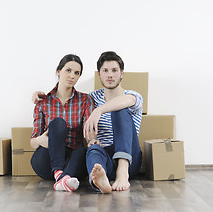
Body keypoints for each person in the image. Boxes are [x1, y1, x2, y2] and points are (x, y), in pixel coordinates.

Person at [33, 51, 143, 193]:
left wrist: (99, 110)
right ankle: (99, 181)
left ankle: (122, 173)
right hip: (105, 158)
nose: (110, 75)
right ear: (99, 74)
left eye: (114, 70)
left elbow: (128, 101)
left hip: (130, 159)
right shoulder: (91, 98)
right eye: (105, 71)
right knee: (92, 149)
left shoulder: (133, 96)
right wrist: (39, 95)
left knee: (119, 110)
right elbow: (69, 97)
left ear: (122, 73)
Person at [30, 54, 94, 192]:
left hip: (73, 160)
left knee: (83, 151)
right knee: (58, 123)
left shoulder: (85, 100)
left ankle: (62, 180)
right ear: (59, 72)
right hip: (47, 158)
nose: (72, 76)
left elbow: (88, 133)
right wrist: (41, 140)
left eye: (77, 73)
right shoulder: (43, 102)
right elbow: (33, 142)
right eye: (68, 70)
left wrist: (93, 141)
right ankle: (59, 173)